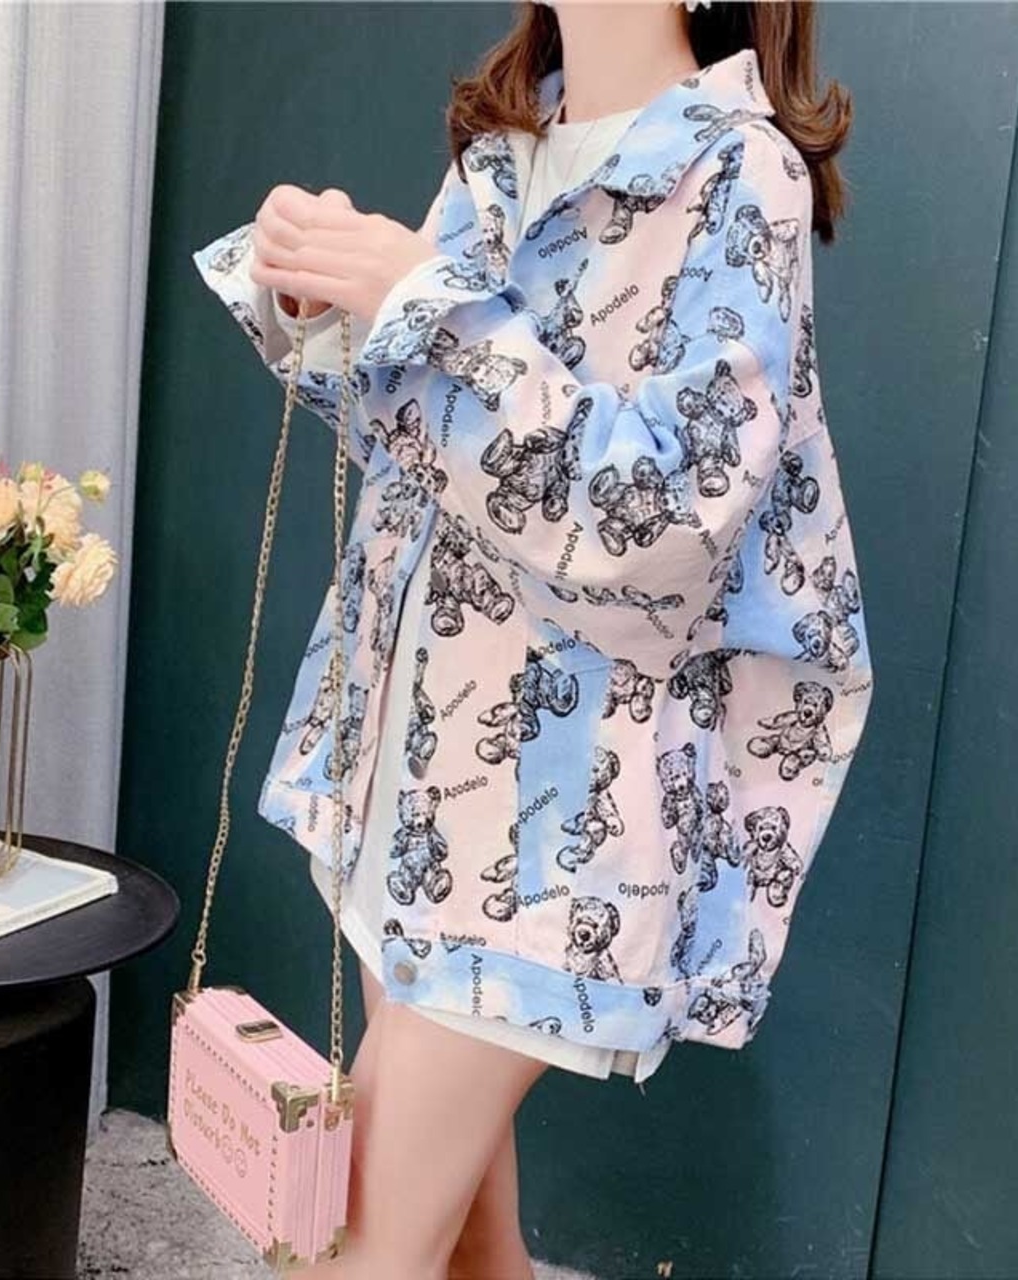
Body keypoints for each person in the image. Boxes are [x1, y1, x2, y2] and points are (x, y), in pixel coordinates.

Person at [192, 2, 873, 1276]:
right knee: (469, 1249)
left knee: (350, 1245)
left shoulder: (740, 173)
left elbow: (660, 519)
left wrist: (421, 300)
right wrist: (326, 301)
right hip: (411, 769)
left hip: (552, 825)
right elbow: (433, 451)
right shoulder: (511, 145)